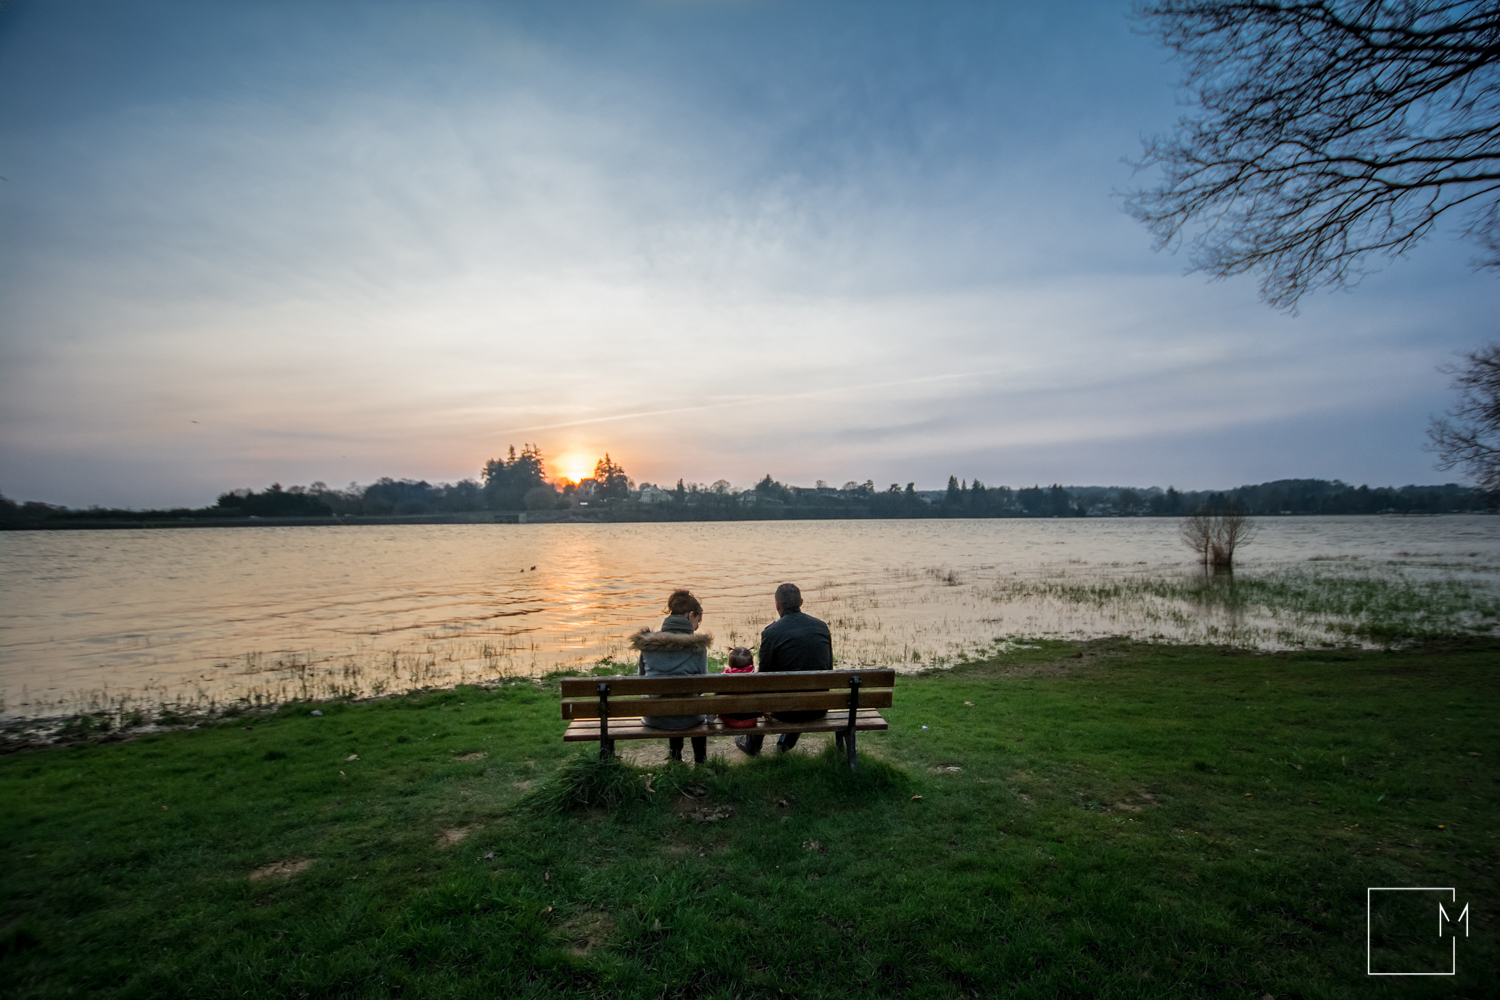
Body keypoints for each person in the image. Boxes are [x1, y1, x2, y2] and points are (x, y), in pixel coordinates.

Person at [735, 582, 832, 756]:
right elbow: (828, 668)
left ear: (777, 605)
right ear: (801, 601)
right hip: (818, 706)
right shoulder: (821, 627)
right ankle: (785, 744)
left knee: (763, 693)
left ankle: (752, 745)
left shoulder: (771, 633)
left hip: (785, 710)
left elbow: (763, 680)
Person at [629, 589, 712, 764]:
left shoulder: (648, 643)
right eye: (698, 620)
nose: (697, 627)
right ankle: (700, 761)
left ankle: (675, 758)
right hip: (689, 717)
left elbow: (641, 680)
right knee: (693, 702)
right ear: (690, 615)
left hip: (655, 716)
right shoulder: (698, 646)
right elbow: (702, 686)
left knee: (673, 702)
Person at [718, 646, 759, 728]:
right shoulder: (757, 677)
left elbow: (718, 700)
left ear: (730, 663)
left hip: (729, 719)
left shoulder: (724, 678)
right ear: (752, 662)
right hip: (751, 719)